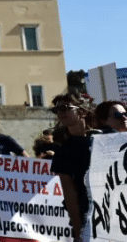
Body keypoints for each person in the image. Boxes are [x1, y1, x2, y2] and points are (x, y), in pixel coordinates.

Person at [51, 91, 97, 241]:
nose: (60, 112)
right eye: (56, 109)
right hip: (88, 219)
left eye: (64, 108)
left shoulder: (103, 139)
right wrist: (78, 233)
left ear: (82, 111)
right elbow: (70, 195)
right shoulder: (63, 150)